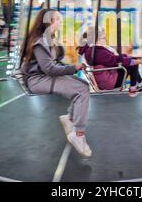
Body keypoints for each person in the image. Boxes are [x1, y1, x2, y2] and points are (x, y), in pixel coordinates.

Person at [21, 9, 92, 158]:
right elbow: (49, 69)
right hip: (37, 80)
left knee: (84, 86)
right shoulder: (40, 42)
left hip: (44, 76)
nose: (61, 21)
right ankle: (78, 135)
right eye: (58, 19)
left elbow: (55, 62)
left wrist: (73, 67)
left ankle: (70, 118)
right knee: (81, 90)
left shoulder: (50, 39)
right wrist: (73, 68)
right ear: (50, 22)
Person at [78, 26, 142, 97]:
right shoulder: (98, 52)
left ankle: (140, 82)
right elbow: (115, 60)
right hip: (110, 82)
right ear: (96, 40)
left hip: (106, 79)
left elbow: (115, 58)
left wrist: (133, 57)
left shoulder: (92, 50)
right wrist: (139, 61)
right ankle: (134, 89)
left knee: (131, 61)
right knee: (133, 63)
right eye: (103, 38)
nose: (105, 40)